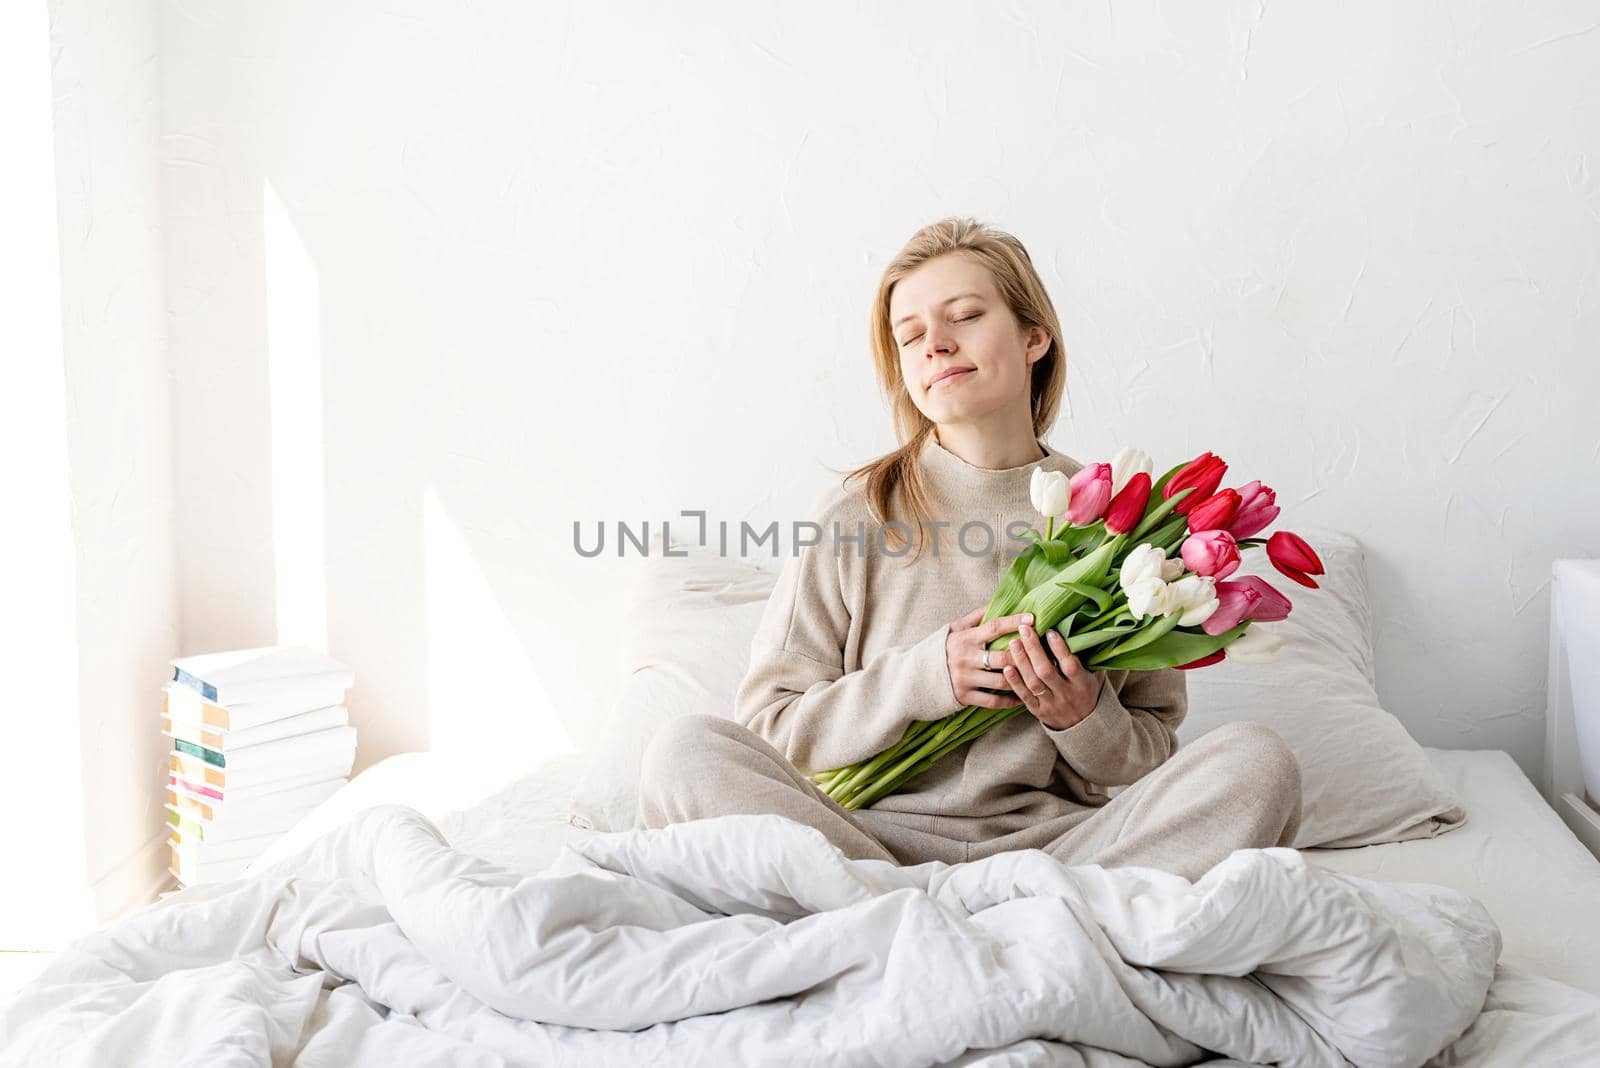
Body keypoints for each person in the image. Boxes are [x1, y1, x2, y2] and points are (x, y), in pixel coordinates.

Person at [636, 216, 1301, 882]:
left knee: (1259, 763)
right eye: (911, 335)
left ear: (1034, 335)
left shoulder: (1122, 518)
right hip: (866, 851)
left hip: (1063, 852)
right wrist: (926, 677)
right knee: (685, 752)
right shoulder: (857, 514)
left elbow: (1149, 750)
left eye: (965, 316)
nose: (936, 345)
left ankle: (934, 918)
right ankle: (927, 912)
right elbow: (772, 730)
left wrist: (1084, 718)